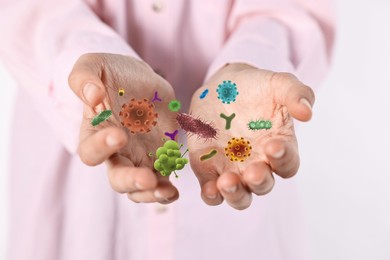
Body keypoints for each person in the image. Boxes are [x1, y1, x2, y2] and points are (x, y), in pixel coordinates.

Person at [0, 0, 334, 259]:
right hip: (75, 197)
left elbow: (288, 8)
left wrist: (250, 60)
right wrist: (81, 56)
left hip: (238, 185)